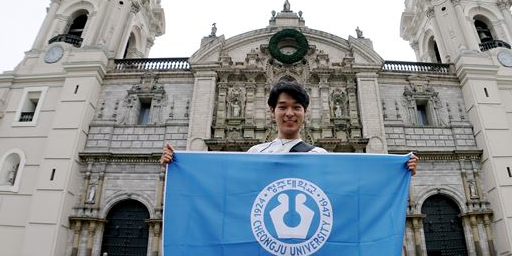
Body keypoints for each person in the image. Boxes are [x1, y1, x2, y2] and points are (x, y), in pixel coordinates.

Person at [160, 79, 418, 174]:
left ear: (305, 112)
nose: (289, 113)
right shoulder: (255, 154)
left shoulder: (320, 157)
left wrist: (397, 170)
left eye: (296, 107)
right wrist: (179, 164)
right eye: (283, 107)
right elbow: (220, 182)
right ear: (272, 111)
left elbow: (355, 184)